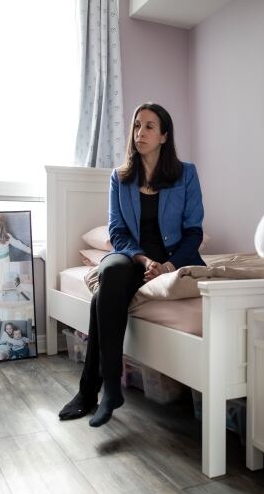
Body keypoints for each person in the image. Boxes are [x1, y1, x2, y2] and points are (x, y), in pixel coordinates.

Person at [58, 103, 206, 427]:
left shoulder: (186, 175)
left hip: (173, 261)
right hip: (133, 257)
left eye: (150, 126)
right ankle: (111, 387)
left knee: (102, 298)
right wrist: (143, 259)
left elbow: (194, 232)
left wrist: (167, 265)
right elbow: (117, 231)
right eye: (137, 126)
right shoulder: (120, 178)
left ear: (164, 135)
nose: (140, 133)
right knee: (110, 272)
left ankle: (91, 391)